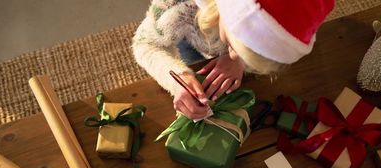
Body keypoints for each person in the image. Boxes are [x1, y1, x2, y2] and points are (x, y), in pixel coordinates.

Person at [132, 0, 334, 119]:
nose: (235, 53)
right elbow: (145, 44)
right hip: (191, 36)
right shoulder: (175, 9)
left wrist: (236, 60)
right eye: (236, 47)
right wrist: (177, 80)